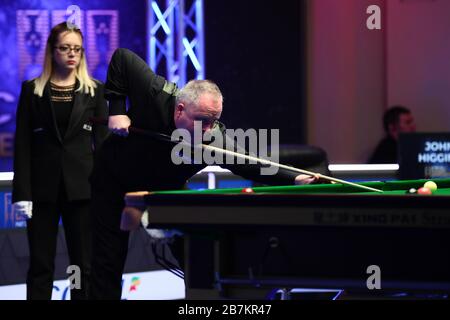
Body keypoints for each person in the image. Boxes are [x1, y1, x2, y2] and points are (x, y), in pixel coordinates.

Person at [89, 48, 317, 300]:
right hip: (113, 180)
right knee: (108, 261)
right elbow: (122, 58)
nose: (208, 131)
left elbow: (251, 164)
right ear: (180, 110)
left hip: (164, 190)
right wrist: (117, 108)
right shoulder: (156, 92)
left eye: (214, 122)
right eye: (202, 121)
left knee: (196, 254)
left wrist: (294, 177)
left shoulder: (213, 140)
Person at [12, 22, 109, 300]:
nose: (71, 54)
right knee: (40, 266)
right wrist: (22, 193)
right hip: (42, 191)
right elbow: (23, 144)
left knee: (82, 266)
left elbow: (103, 147)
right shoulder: (32, 91)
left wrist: (106, 191)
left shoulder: (95, 91)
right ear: (52, 51)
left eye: (77, 49)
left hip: (83, 190)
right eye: (65, 48)